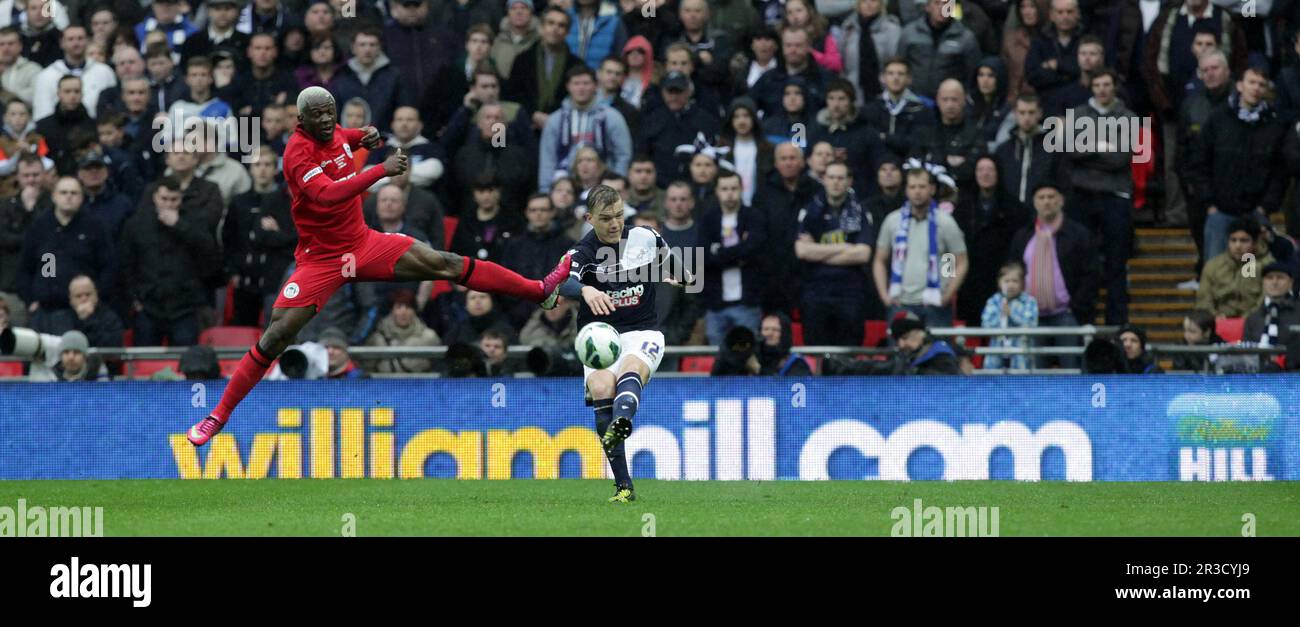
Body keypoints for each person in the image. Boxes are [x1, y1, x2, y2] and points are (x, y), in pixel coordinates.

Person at [187, 86, 572, 447]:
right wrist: (380, 170)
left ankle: (538, 290)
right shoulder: (297, 153)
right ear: (300, 122)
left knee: (446, 263)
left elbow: (343, 139)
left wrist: (363, 135)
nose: (325, 121)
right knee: (275, 336)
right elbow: (327, 194)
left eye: (329, 114)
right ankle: (218, 416)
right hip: (321, 260)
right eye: (317, 117)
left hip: (364, 244)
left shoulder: (332, 130)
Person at [556, 185, 694, 503]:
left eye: (619, 215)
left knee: (632, 370)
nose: (615, 223)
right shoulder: (583, 252)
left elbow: (676, 265)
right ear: (590, 219)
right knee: (604, 389)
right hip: (599, 336)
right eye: (606, 218)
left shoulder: (645, 237)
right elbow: (562, 280)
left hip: (642, 331)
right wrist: (586, 291)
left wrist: (683, 276)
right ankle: (624, 486)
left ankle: (622, 421)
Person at [1008, 181, 1097, 368]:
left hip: (1067, 314)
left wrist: (1076, 306)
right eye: (1041, 197)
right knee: (1036, 375)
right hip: (1031, 316)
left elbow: (1091, 273)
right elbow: (1012, 271)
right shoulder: (1022, 236)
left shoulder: (1078, 234)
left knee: (1071, 371)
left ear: (1061, 201)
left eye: (1051, 197)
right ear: (1034, 202)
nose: (1046, 202)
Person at [873, 166, 967, 329]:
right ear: (906, 190)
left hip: (935, 304)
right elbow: (880, 260)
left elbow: (955, 259)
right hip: (900, 302)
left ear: (932, 189)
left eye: (922, 187)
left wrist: (946, 292)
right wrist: (884, 295)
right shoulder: (893, 221)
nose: (917, 192)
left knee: (936, 354)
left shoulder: (944, 222)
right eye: (912, 187)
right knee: (901, 354)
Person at [798, 160, 876, 345]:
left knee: (848, 355)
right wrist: (844, 247)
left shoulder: (861, 212)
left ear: (849, 181)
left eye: (840, 178)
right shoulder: (810, 211)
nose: (835, 182)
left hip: (850, 293)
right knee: (816, 354)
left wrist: (818, 252)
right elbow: (802, 251)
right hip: (816, 292)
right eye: (831, 177)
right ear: (823, 179)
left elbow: (863, 254)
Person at [699, 170, 766, 346]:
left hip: (747, 302)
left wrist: (718, 252)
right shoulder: (708, 219)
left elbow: (754, 250)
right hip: (716, 304)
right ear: (717, 191)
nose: (729, 193)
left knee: (748, 354)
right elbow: (701, 256)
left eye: (734, 188)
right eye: (725, 188)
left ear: (742, 189)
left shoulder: (753, 216)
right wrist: (738, 254)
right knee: (716, 357)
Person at [1194, 218, 1274, 318]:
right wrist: (1215, 317)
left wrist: (1247, 321)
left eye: (1244, 240)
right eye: (1233, 240)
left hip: (1255, 324)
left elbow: (1267, 300)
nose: (1238, 245)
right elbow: (1203, 301)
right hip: (1219, 323)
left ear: (1254, 243)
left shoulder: (1268, 266)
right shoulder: (1213, 265)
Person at [364, 289, 440, 374]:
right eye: (399, 307)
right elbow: (367, 371)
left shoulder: (429, 337)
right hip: (385, 386)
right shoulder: (377, 339)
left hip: (420, 386)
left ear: (414, 311)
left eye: (408, 307)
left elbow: (438, 368)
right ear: (392, 310)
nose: (403, 312)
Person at [981, 261, 1038, 370]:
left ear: (1022, 284)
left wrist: (1012, 314)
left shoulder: (1029, 302)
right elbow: (986, 325)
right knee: (994, 383)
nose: (1010, 285)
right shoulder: (993, 301)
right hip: (996, 353)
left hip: (1021, 355)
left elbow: (1031, 324)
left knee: (1021, 384)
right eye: (1006, 281)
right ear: (999, 283)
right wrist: (1000, 316)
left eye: (1015, 281)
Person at [1243, 262, 1299, 371]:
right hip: (1258, 378)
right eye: (1269, 278)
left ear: (1291, 282)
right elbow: (1246, 352)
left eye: (1280, 278)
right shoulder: (1253, 318)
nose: (1274, 282)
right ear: (1263, 282)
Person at [887, 314, 962, 374]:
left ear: (921, 333)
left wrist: (918, 372)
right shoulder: (905, 357)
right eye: (897, 341)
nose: (901, 345)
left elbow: (952, 386)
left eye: (905, 337)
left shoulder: (941, 353)